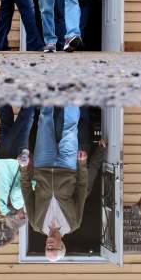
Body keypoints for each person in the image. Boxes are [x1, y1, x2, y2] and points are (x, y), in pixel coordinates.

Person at [21, 106, 88, 262]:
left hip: (42, 165)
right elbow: (82, 189)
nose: (49, 245)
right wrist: (82, 165)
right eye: (53, 248)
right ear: (61, 245)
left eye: (47, 248)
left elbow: (26, 191)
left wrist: (24, 169)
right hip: (68, 167)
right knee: (70, 129)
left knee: (45, 119)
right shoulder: (73, 223)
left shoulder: (36, 224)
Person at [0, 104, 35, 232]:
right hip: (0, 156)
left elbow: (19, 189)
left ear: (17, 217)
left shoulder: (17, 203)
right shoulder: (2, 200)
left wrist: (35, 185)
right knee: (6, 121)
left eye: (23, 217)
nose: (25, 214)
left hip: (14, 157)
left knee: (25, 121)